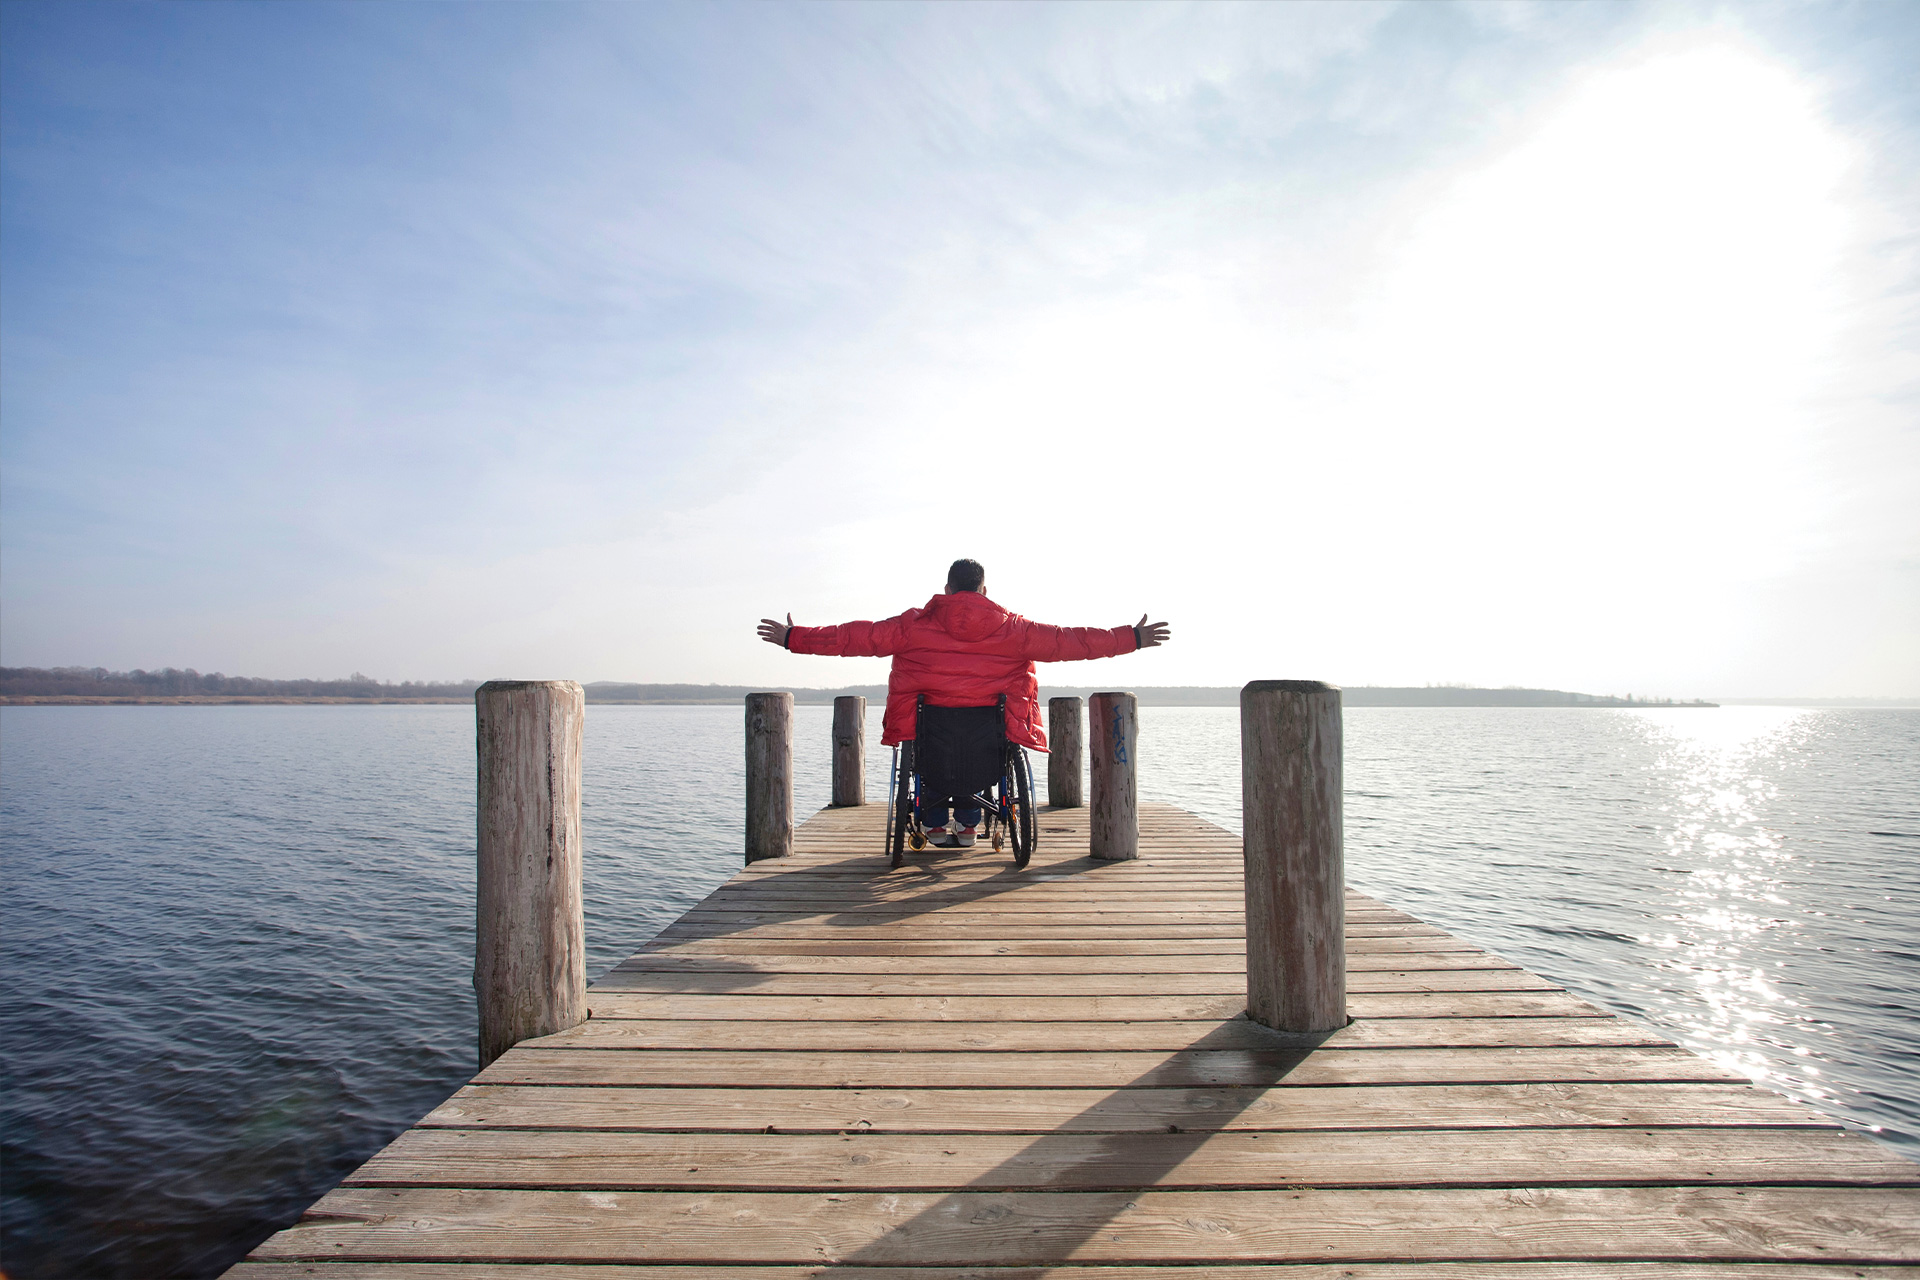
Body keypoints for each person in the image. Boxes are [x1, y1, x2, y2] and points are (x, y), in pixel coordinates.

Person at [758, 558, 1170, 847]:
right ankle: (971, 822)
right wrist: (1130, 638)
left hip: (929, 734)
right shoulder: (1016, 630)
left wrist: (795, 638)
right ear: (984, 590)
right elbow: (1072, 642)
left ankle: (934, 823)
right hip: (988, 742)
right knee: (986, 746)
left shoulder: (912, 626)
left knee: (926, 748)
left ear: (948, 590)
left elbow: (854, 637)